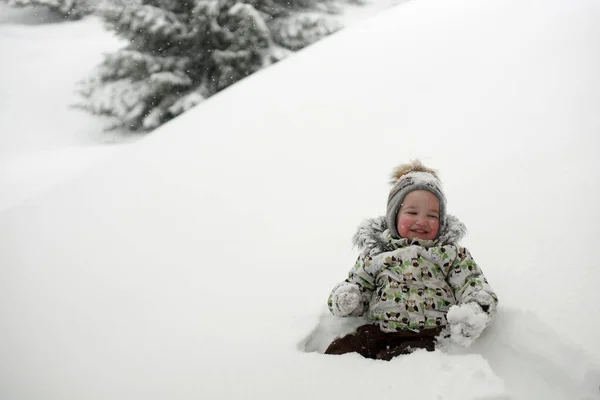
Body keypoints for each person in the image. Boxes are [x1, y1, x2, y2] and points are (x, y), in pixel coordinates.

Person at [325, 160, 498, 360]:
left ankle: (397, 381)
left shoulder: (450, 255)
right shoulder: (375, 255)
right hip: (380, 330)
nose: (422, 221)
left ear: (441, 222)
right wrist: (348, 299)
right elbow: (358, 285)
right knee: (342, 348)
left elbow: (474, 285)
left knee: (406, 358)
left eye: (432, 215)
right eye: (412, 212)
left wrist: (474, 310)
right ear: (394, 217)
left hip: (429, 334)